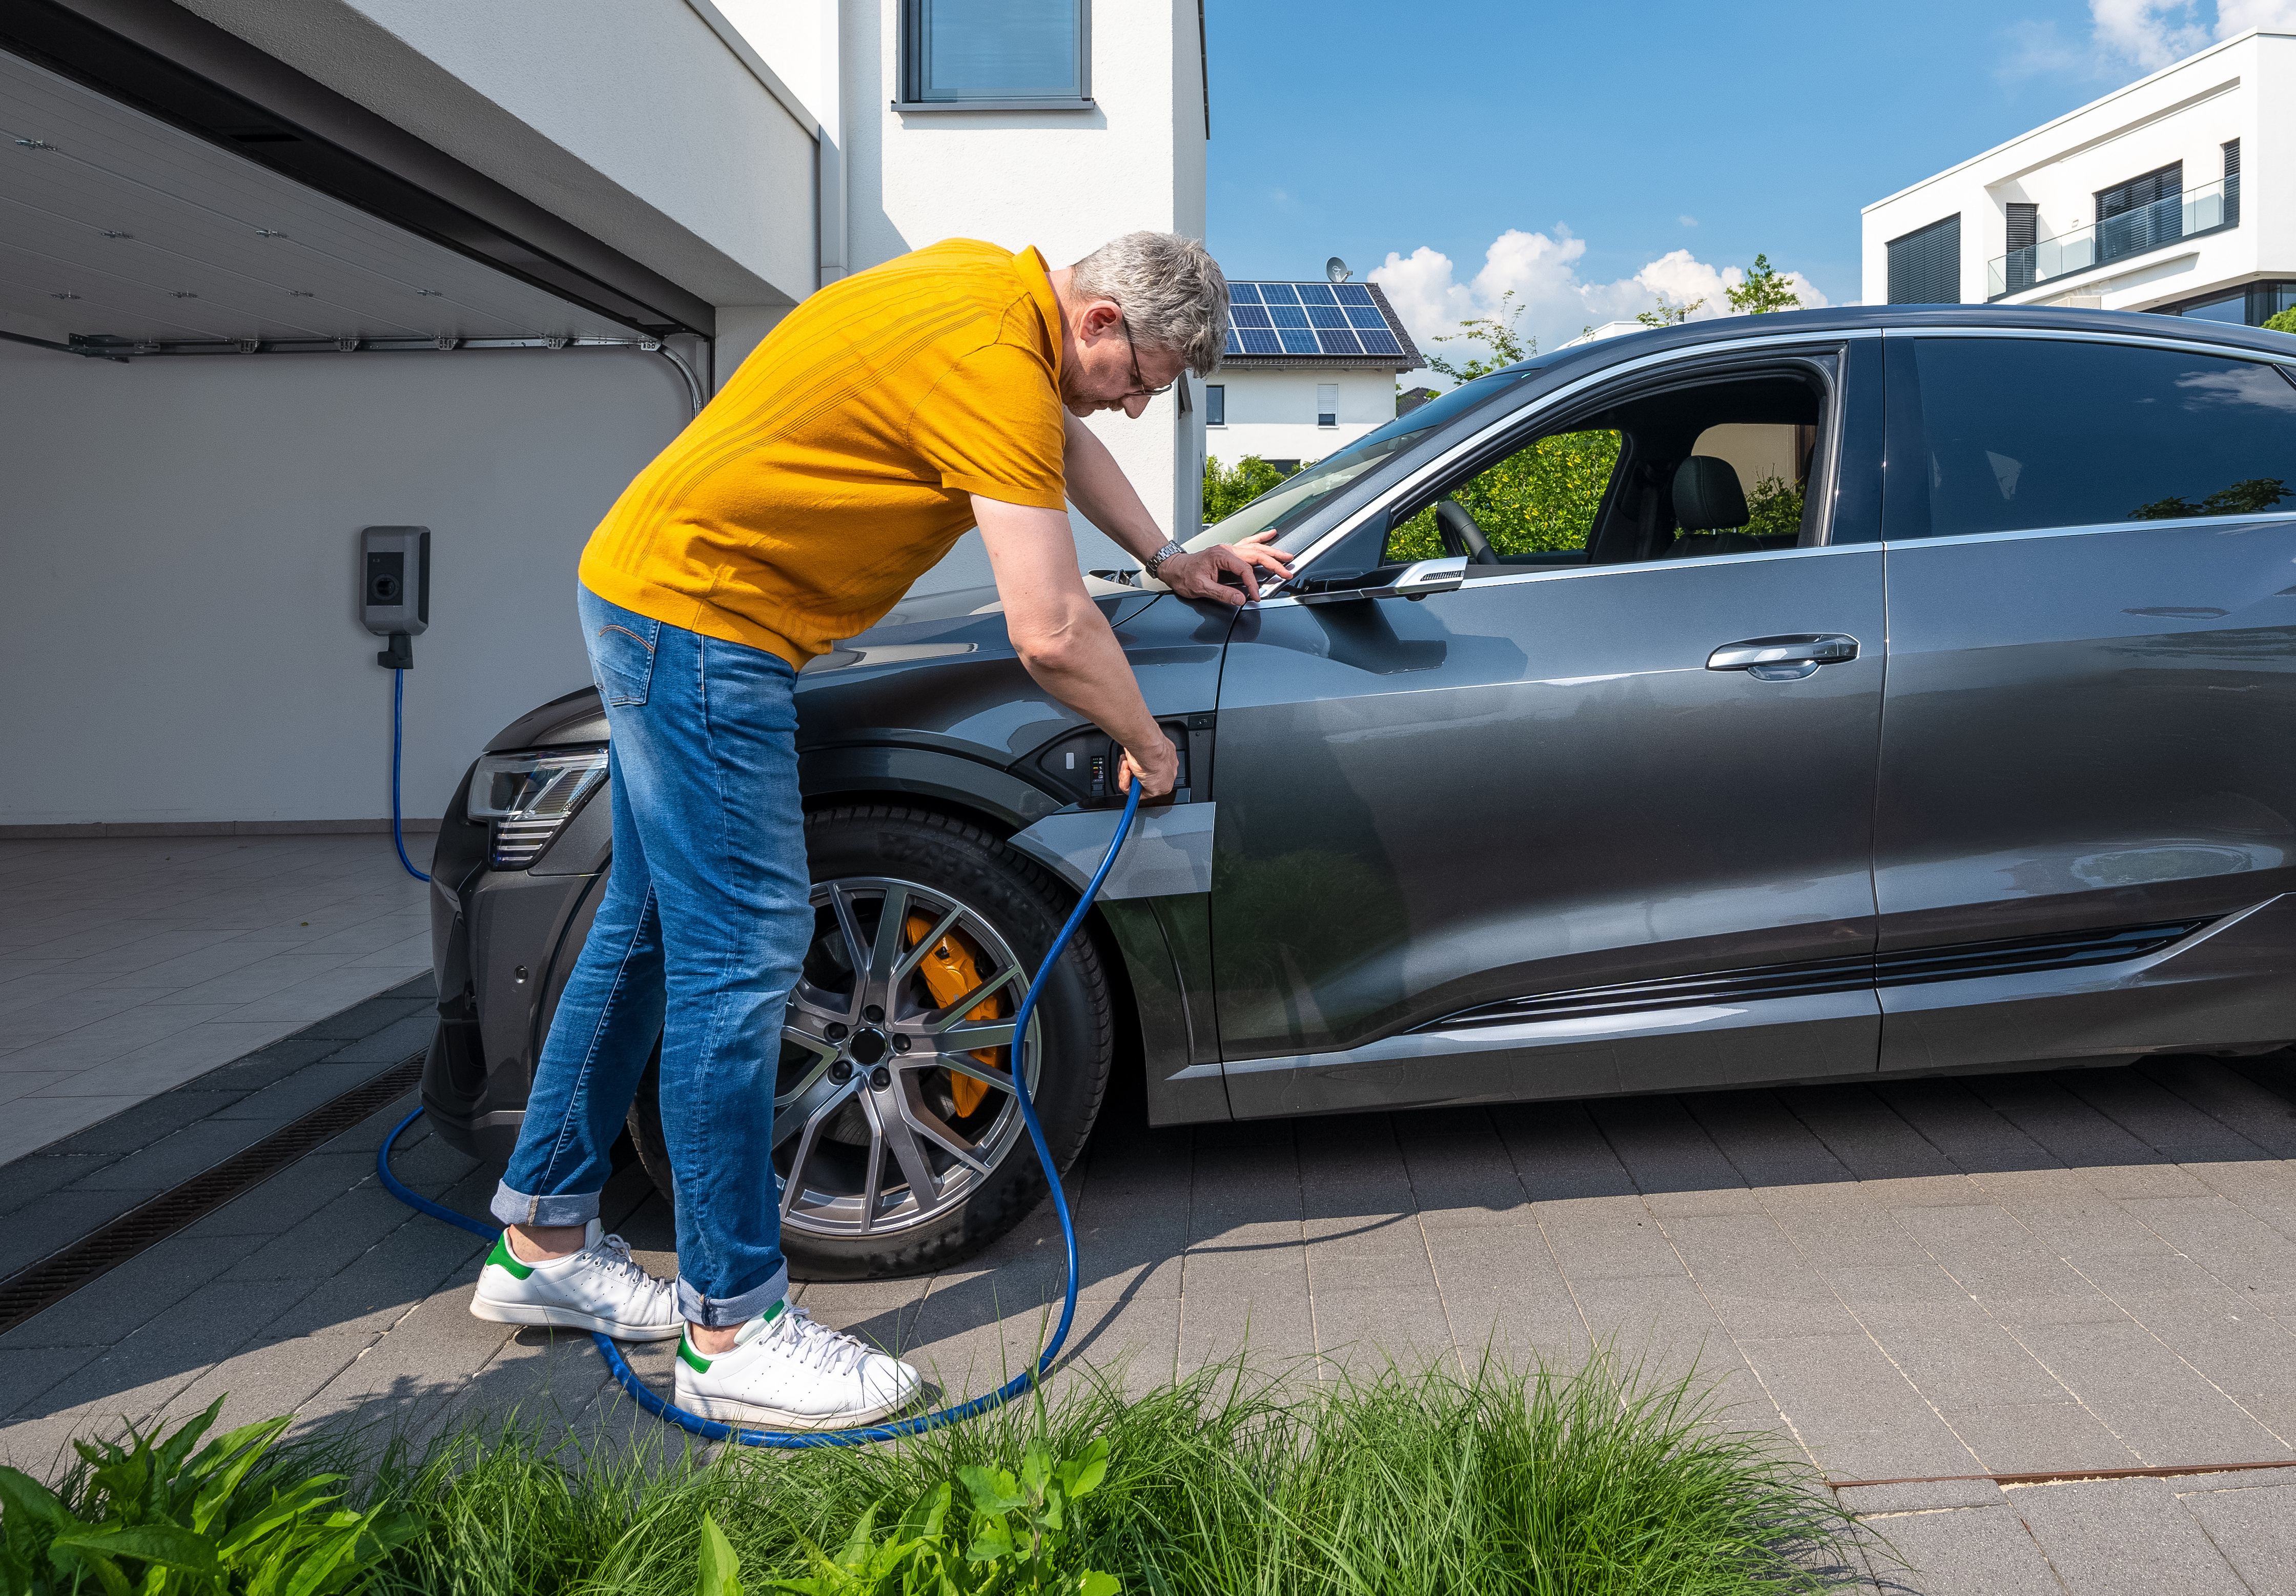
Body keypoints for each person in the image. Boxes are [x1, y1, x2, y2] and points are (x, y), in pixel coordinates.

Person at [466, 232, 1289, 1428]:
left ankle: (542, 1245)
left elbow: (1054, 445)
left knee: (647, 931)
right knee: (739, 957)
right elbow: (1050, 630)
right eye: (1142, 378)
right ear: (1100, 321)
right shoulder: (990, 355)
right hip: (706, 626)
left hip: (656, 592)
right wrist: (1150, 745)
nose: (1133, 404)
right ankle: (732, 1328)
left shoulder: (984, 289)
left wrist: (1166, 558)